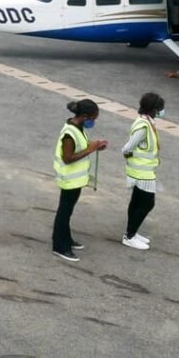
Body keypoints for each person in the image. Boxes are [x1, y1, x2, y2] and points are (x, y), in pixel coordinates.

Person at [52, 99, 108, 262]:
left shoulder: (77, 126)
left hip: (75, 181)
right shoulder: (69, 134)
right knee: (64, 212)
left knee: (67, 211)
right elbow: (68, 158)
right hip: (69, 180)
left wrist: (94, 145)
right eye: (93, 119)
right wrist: (90, 149)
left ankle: (66, 238)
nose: (93, 122)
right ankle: (60, 246)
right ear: (84, 116)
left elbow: (81, 145)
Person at [121, 93, 164, 251]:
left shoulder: (147, 122)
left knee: (137, 201)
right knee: (147, 203)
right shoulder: (143, 126)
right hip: (141, 172)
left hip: (144, 170)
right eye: (160, 109)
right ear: (153, 110)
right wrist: (130, 156)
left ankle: (131, 232)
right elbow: (127, 148)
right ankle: (129, 236)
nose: (161, 112)